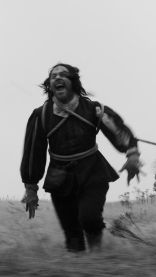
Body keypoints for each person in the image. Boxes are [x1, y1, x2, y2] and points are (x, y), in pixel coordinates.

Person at [20, 63, 142, 252]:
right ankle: (79, 271)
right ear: (50, 85)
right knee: (71, 232)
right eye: (53, 76)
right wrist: (30, 187)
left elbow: (120, 134)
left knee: (90, 218)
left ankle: (97, 260)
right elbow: (32, 153)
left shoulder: (94, 110)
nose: (58, 78)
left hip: (92, 171)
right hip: (59, 177)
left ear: (73, 82)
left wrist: (132, 154)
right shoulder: (41, 115)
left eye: (63, 75)